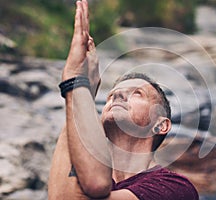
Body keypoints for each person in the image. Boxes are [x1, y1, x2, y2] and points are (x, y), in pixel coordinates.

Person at [48, 0, 199, 199]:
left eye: (137, 93)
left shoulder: (175, 189)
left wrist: (75, 83)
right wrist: (83, 93)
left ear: (161, 125)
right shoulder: (87, 176)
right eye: (111, 96)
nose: (118, 95)